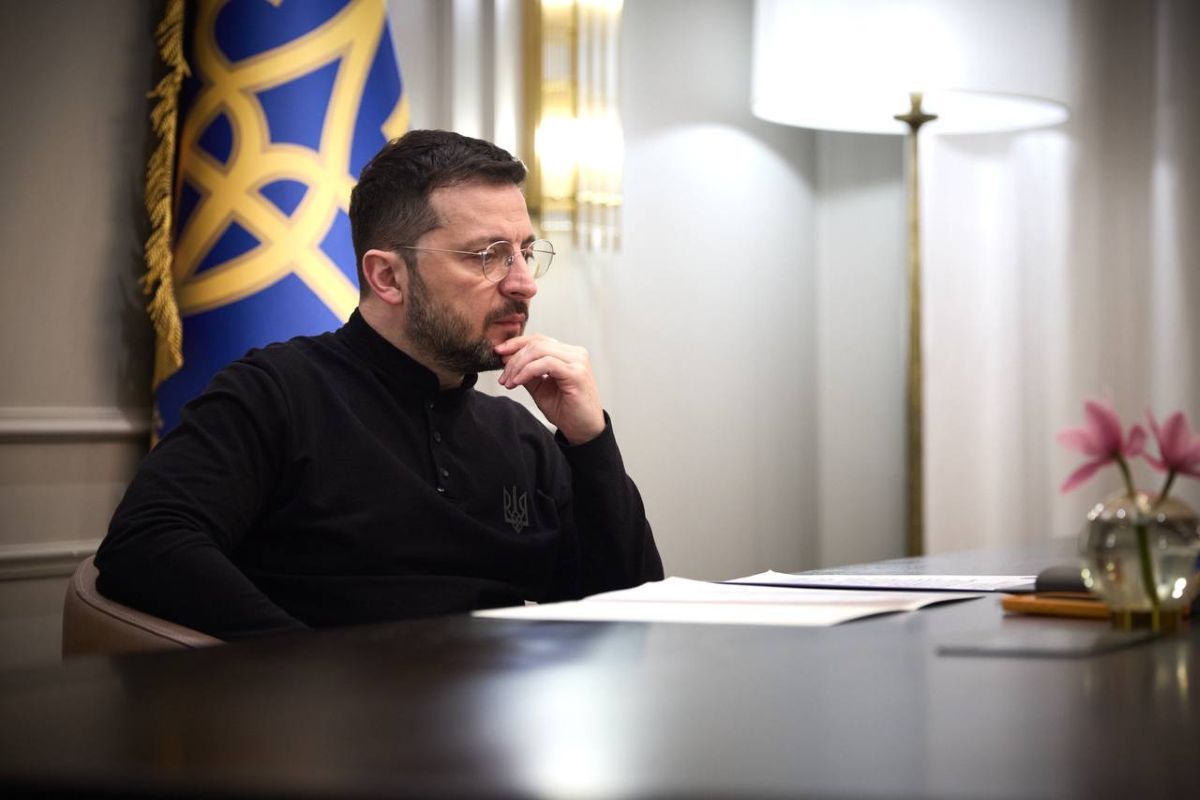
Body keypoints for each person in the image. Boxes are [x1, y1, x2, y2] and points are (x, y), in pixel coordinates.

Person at [96, 130, 663, 639]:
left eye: (526, 252)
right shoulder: (277, 394)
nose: (523, 283)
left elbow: (631, 613)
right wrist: (306, 668)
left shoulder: (520, 437)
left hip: (502, 710)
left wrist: (589, 442)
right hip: (326, 714)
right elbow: (147, 544)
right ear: (387, 276)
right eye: (489, 256)